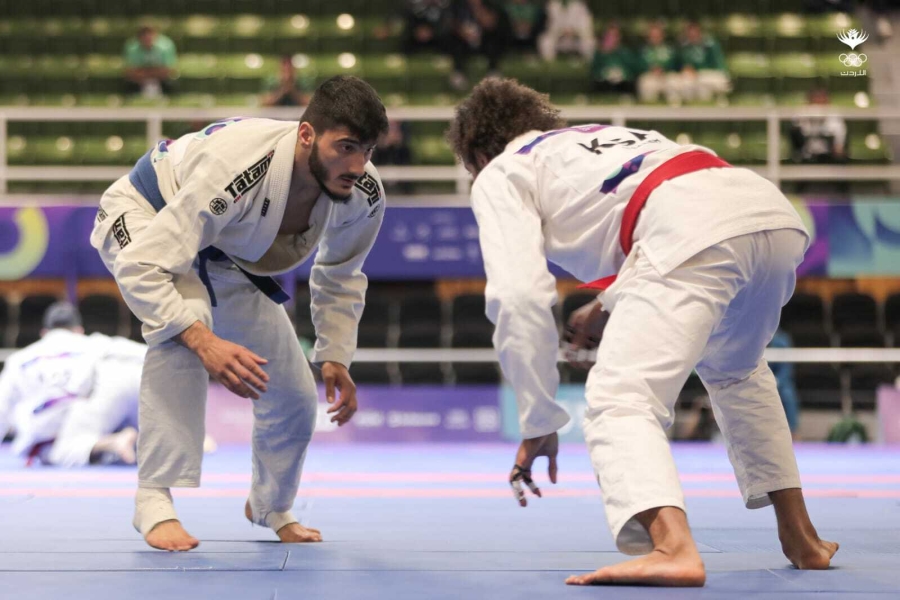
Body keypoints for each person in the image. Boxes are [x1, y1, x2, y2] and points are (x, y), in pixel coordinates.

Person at [447, 78, 838, 586]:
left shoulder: (502, 171)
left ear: (478, 154)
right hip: (769, 213)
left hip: (691, 232)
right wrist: (606, 303)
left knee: (620, 398)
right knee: (737, 372)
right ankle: (803, 538)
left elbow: (519, 297)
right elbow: (669, 201)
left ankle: (673, 548)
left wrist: (538, 417)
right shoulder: (602, 138)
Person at [89, 75, 389, 552]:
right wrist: (203, 341)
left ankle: (271, 504)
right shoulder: (239, 166)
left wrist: (335, 353)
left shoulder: (363, 193)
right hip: (146, 215)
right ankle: (153, 500)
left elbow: (341, 274)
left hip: (224, 256)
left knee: (294, 394)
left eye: (367, 150)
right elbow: (141, 265)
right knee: (182, 323)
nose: (357, 165)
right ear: (307, 134)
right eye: (346, 147)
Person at [0, 302, 145, 467]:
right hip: (127, 377)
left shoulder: (20, 359)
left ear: (44, 333)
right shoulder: (97, 342)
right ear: (79, 330)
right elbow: (146, 353)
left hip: (79, 401)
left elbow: (2, 406)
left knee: (59, 452)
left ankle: (112, 442)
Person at [677, 21, 730, 103]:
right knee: (686, 81)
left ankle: (720, 99)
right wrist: (689, 70)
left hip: (711, 74)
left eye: (694, 32)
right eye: (690, 33)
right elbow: (685, 66)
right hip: (695, 78)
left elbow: (720, 65)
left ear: (700, 32)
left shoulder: (711, 45)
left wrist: (699, 73)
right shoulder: (685, 47)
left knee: (720, 80)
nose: (692, 35)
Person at [123, 24, 178, 97]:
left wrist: (145, 73)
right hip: (139, 80)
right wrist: (153, 73)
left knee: (170, 82)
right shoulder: (131, 47)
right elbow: (130, 72)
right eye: (144, 37)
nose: (147, 39)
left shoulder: (166, 45)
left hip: (161, 80)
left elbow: (169, 70)